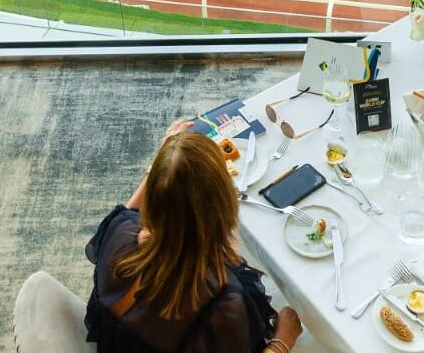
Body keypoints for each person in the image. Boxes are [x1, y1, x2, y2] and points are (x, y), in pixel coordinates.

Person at [83, 120, 303, 353]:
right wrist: (283, 339)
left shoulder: (117, 231)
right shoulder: (220, 304)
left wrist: (168, 161)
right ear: (224, 207)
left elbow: (133, 209)